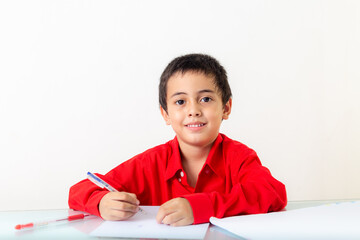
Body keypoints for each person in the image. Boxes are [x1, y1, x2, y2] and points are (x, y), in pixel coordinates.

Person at [68, 53, 287, 226]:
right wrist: (102, 202)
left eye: (206, 99)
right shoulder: (150, 163)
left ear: (226, 108)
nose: (194, 110)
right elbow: (79, 191)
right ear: (165, 114)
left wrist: (201, 207)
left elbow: (273, 193)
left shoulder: (239, 156)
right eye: (180, 102)